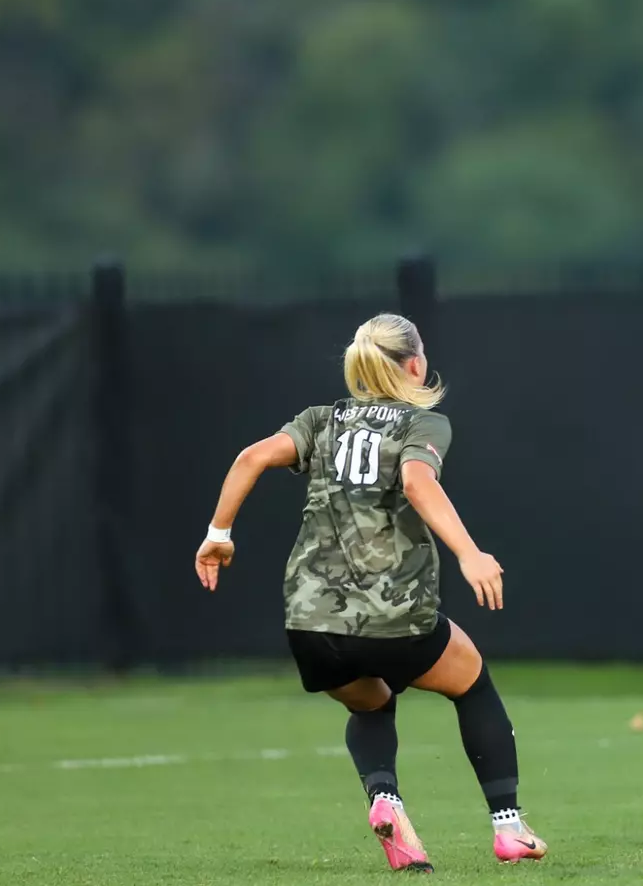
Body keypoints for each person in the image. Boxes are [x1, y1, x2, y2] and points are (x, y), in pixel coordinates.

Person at [192, 313, 547, 870]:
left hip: (310, 621)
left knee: (372, 701)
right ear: (416, 364)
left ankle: (386, 802)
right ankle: (509, 829)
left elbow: (250, 457)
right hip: (393, 612)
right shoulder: (422, 424)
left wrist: (218, 535)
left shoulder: (319, 420)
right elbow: (417, 482)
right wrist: (470, 553)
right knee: (473, 682)